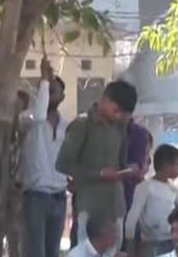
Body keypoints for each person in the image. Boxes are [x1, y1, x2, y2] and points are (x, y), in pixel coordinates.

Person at [20, 56, 70, 257]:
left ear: (62, 96)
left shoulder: (65, 124)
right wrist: (42, 78)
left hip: (58, 195)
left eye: (54, 90)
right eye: (46, 90)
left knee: (51, 253)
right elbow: (40, 113)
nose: (50, 93)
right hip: (37, 194)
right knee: (35, 253)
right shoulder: (31, 119)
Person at [56, 79, 138, 231]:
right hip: (90, 207)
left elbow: (121, 163)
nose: (119, 116)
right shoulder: (82, 125)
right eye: (116, 111)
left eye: (123, 114)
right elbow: (63, 163)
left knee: (114, 253)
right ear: (105, 100)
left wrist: (128, 170)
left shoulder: (120, 127)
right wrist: (99, 174)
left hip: (116, 206)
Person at [125, 144, 178, 257]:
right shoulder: (145, 187)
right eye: (177, 164)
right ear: (165, 164)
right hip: (150, 244)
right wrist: (130, 245)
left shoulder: (173, 189)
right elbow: (132, 218)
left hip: (171, 242)